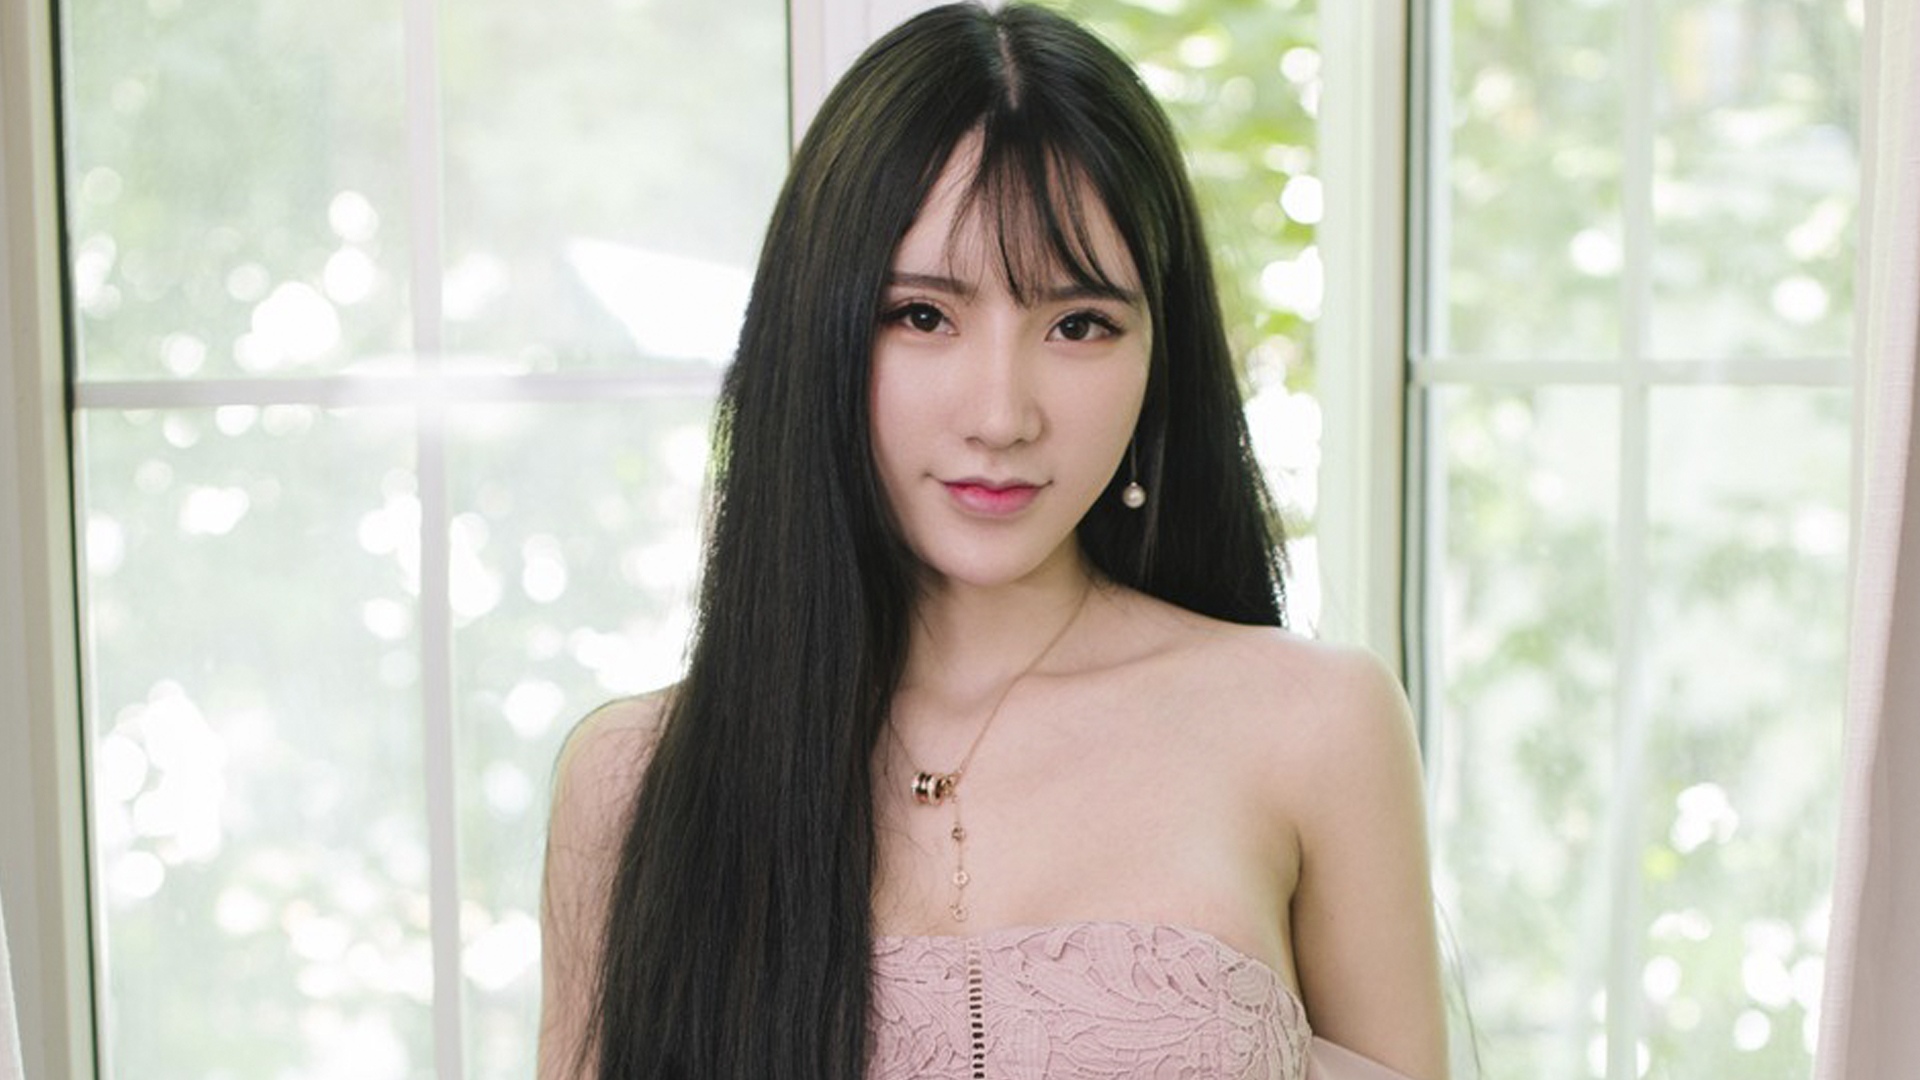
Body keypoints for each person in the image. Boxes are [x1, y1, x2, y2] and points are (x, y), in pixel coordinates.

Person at [538, 4, 1448, 1078]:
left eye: (1078, 324)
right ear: (820, 333)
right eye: (923, 316)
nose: (1001, 415)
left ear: (1160, 356)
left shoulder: (1313, 724)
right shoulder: (635, 784)